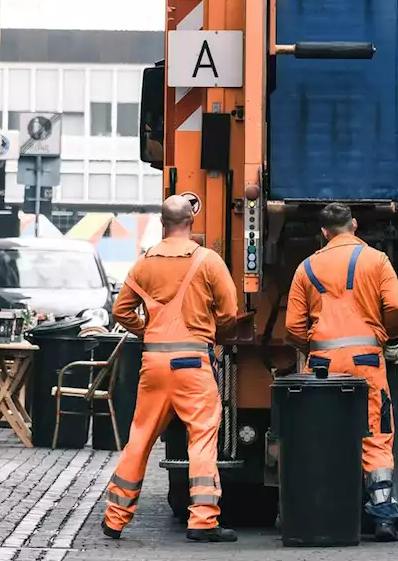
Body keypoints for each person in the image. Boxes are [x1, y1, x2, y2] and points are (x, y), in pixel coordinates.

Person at [101, 195, 240, 543]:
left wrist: (146, 330)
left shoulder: (144, 263)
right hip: (192, 362)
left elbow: (121, 311)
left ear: (163, 223)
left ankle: (115, 519)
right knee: (202, 438)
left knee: (141, 437)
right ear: (191, 221)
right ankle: (203, 521)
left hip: (154, 363)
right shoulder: (208, 261)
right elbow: (230, 313)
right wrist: (211, 329)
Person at [285, 202, 398, 542]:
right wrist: (392, 338)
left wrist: (314, 347)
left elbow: (293, 327)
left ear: (324, 232)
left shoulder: (306, 267)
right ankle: (383, 516)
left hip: (323, 365)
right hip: (366, 361)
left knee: (325, 437)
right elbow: (395, 305)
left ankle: (323, 511)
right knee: (376, 434)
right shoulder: (376, 260)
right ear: (354, 225)